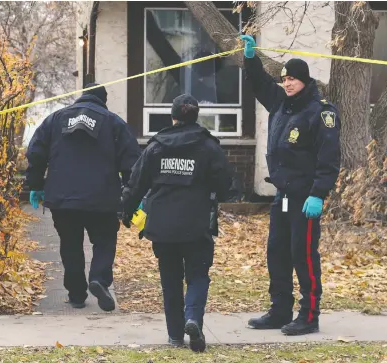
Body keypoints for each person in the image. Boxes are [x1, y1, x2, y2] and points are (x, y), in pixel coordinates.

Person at [240, 35, 341, 335]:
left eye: (293, 79)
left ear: (305, 81)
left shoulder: (320, 112)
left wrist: (319, 194)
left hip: (305, 196)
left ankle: (309, 315)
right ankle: (280, 310)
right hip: (282, 194)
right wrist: (250, 58)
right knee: (277, 251)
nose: (287, 83)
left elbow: (329, 157)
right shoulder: (282, 104)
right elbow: (259, 83)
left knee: (303, 253)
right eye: (284, 78)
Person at [121, 94, 234, 352]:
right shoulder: (208, 146)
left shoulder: (156, 146)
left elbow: (136, 183)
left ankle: (174, 334)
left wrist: (126, 211)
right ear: (196, 116)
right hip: (196, 225)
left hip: (162, 226)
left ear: (172, 117)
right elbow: (225, 183)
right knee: (197, 275)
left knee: (170, 280)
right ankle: (192, 318)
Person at [25, 83, 141, 311]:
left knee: (70, 245)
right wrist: (130, 195)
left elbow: (36, 152)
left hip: (63, 198)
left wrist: (36, 185)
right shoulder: (113, 122)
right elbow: (132, 161)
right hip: (102, 197)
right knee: (104, 241)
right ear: (103, 101)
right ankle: (98, 279)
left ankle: (77, 294)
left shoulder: (55, 119)